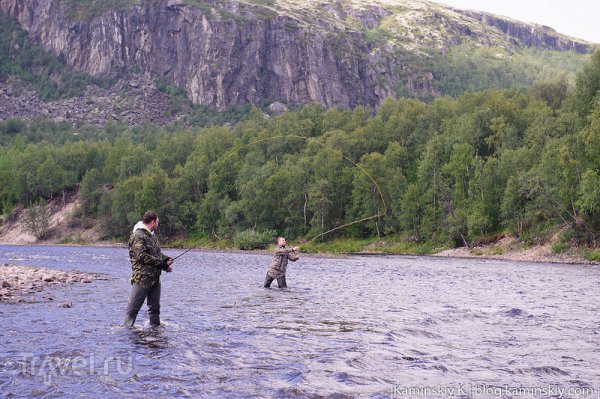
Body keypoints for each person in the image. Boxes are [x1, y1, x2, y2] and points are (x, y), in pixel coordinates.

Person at [123, 211, 174, 328]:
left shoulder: (152, 236)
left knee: (155, 309)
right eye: (158, 221)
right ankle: (125, 333)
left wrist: (165, 259)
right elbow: (141, 256)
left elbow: (156, 253)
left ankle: (155, 331)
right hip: (142, 278)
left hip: (155, 279)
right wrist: (162, 264)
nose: (158, 223)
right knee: (133, 309)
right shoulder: (138, 236)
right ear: (153, 222)